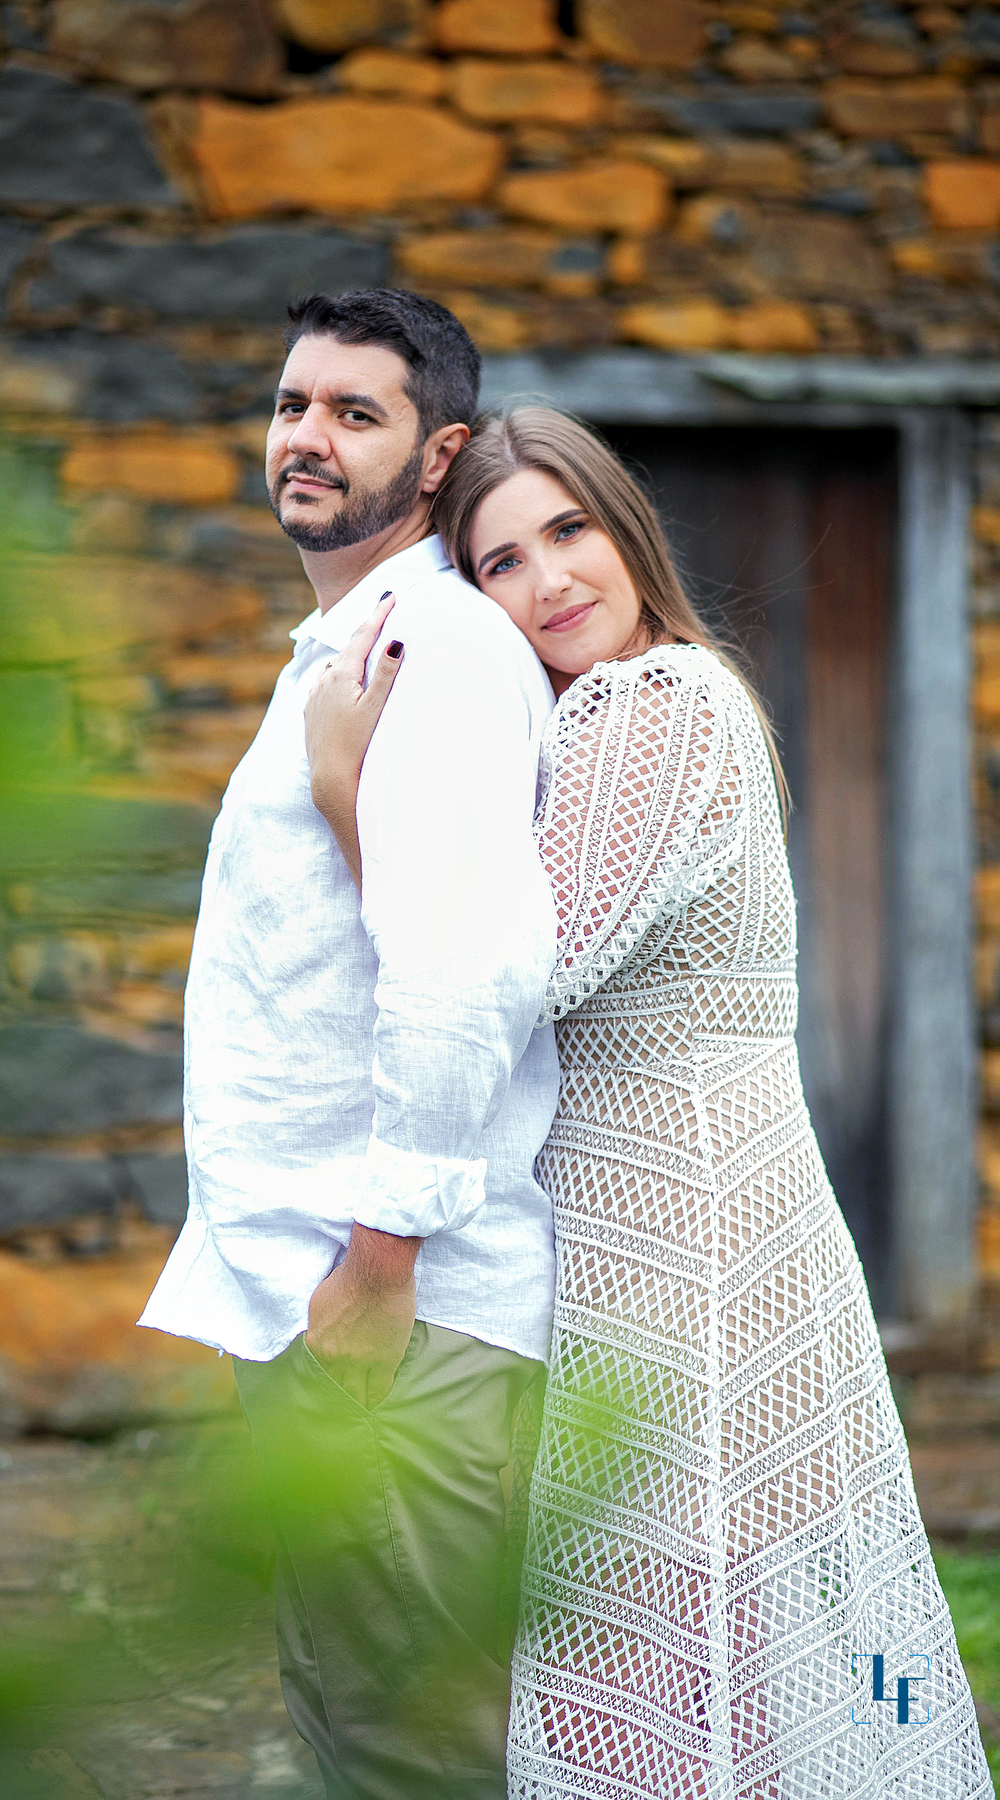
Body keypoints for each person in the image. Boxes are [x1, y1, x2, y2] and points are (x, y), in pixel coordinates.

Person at [305, 406, 991, 1799]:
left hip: (689, 1234)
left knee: (673, 1631)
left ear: (627, 530)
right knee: (739, 1634)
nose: (549, 581)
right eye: (501, 563)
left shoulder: (654, 702)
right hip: (706, 1209)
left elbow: (510, 968)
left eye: (569, 531)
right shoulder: (645, 707)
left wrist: (340, 790)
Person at [139, 293, 565, 1800]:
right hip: (323, 1286)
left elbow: (465, 967)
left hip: (394, 1300)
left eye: (355, 412)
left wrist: (381, 1260)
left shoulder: (438, 649)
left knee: (409, 1749)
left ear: (439, 455)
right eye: (291, 404)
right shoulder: (345, 648)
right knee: (345, 1714)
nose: (306, 437)